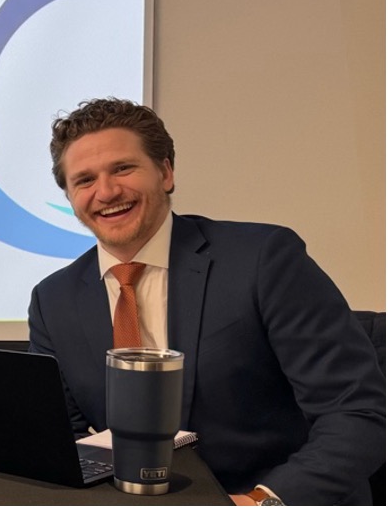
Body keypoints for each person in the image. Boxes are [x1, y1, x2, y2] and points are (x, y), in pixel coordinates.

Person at [28, 98, 384, 505]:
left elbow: (357, 411)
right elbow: (65, 441)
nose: (106, 192)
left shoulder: (264, 259)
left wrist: (262, 500)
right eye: (85, 180)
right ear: (71, 197)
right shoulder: (52, 301)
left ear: (165, 172)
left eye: (123, 169)